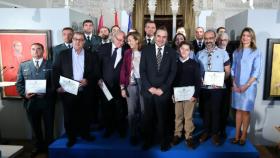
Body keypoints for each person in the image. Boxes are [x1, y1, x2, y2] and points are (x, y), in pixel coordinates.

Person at [53, 32, 100, 147]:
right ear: (72, 40)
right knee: (69, 116)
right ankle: (71, 137)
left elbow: (96, 73)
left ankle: (85, 134)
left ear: (84, 42)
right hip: (68, 90)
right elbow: (55, 71)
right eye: (75, 39)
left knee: (85, 114)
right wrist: (58, 87)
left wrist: (88, 80)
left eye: (80, 40)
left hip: (85, 91)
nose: (78, 42)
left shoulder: (91, 55)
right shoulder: (63, 54)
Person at [140, 26, 177, 152]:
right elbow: (142, 71)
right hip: (148, 91)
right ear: (155, 36)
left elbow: (173, 72)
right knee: (148, 118)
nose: (161, 39)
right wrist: (149, 87)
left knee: (163, 119)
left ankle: (163, 141)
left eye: (164, 37)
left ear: (167, 38)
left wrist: (163, 88)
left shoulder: (172, 52)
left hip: (163, 92)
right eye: (159, 36)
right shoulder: (146, 50)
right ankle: (148, 141)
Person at [16, 43, 54, 157]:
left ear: (43, 51)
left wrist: (47, 92)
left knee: (49, 126)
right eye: (33, 49)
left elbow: (55, 84)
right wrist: (24, 94)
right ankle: (38, 147)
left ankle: (48, 147)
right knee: (35, 127)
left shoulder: (51, 64)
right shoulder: (24, 65)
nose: (36, 51)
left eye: (38, 49)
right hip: (31, 103)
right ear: (30, 51)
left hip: (47, 102)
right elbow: (19, 84)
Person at [196, 30, 230, 146]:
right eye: (206, 38)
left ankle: (215, 134)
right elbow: (197, 71)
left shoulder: (223, 53)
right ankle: (206, 132)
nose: (208, 40)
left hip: (218, 88)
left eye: (211, 38)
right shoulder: (199, 54)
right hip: (204, 88)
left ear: (215, 38)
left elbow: (228, 72)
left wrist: (220, 81)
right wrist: (199, 78)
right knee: (205, 111)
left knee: (216, 111)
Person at [230, 27, 262, 146]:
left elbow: (256, 71)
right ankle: (236, 135)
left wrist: (246, 85)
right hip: (237, 86)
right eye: (244, 35)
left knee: (246, 111)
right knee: (238, 110)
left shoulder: (256, 52)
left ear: (252, 38)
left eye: (248, 36)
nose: (245, 37)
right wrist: (234, 83)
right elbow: (233, 69)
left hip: (249, 87)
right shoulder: (236, 52)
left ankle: (243, 136)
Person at [97, 30, 128, 138]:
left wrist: (124, 85)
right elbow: (97, 66)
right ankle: (109, 128)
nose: (122, 42)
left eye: (123, 40)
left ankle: (121, 129)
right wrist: (99, 80)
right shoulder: (103, 48)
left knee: (120, 108)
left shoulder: (126, 50)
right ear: (113, 38)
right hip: (104, 84)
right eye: (119, 40)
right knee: (107, 107)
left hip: (120, 86)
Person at [171, 41, 201, 149]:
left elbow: (198, 81)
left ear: (190, 51)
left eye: (187, 49)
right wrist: (172, 94)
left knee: (188, 117)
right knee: (178, 116)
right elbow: (171, 81)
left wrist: (195, 95)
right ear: (179, 50)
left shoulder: (194, 64)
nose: (184, 51)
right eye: (182, 49)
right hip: (177, 95)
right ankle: (177, 134)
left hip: (190, 96)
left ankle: (189, 136)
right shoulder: (174, 63)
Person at [120, 32, 144, 145]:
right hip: (131, 84)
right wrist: (122, 87)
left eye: (130, 40)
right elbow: (123, 70)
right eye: (128, 40)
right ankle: (133, 134)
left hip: (143, 84)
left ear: (137, 40)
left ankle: (142, 131)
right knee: (131, 112)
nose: (128, 42)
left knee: (143, 111)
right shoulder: (127, 53)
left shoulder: (145, 52)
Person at [216, 32, 231, 138]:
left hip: (226, 84)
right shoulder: (213, 51)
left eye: (225, 40)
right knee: (215, 108)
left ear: (228, 41)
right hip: (213, 85)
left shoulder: (232, 53)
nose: (222, 41)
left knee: (224, 108)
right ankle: (213, 129)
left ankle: (222, 129)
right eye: (220, 39)